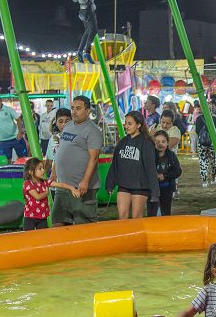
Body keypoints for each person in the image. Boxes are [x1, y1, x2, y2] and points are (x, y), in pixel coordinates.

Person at [50, 96, 104, 225]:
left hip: (82, 188)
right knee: (58, 223)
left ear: (87, 110)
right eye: (73, 108)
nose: (74, 112)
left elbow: (94, 158)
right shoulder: (68, 126)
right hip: (63, 186)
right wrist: (54, 172)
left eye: (78, 108)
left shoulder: (92, 131)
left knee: (83, 226)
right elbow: (60, 150)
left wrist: (85, 181)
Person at [105, 110, 158, 220]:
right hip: (124, 185)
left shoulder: (146, 143)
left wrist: (155, 191)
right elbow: (115, 164)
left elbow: (150, 168)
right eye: (125, 123)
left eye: (130, 124)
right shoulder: (122, 141)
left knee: (136, 218)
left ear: (138, 125)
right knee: (122, 217)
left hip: (140, 187)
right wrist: (110, 183)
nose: (126, 126)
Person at [148, 128, 182, 216]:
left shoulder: (171, 156)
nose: (160, 144)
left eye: (163, 141)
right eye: (157, 142)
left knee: (165, 212)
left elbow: (177, 171)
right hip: (152, 190)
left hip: (167, 189)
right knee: (152, 213)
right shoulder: (150, 155)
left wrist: (165, 175)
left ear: (167, 143)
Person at [72, 0, 98, 64]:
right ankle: (87, 52)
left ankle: (80, 51)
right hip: (88, 11)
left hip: (83, 11)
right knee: (94, 30)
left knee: (87, 31)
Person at [22, 157, 51, 230]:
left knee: (43, 236)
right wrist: (46, 193)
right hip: (30, 216)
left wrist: (71, 188)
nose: (43, 170)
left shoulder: (44, 182)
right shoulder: (27, 183)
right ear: (31, 172)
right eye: (40, 168)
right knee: (28, 237)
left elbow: (59, 184)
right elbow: (37, 197)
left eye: (43, 168)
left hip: (42, 216)